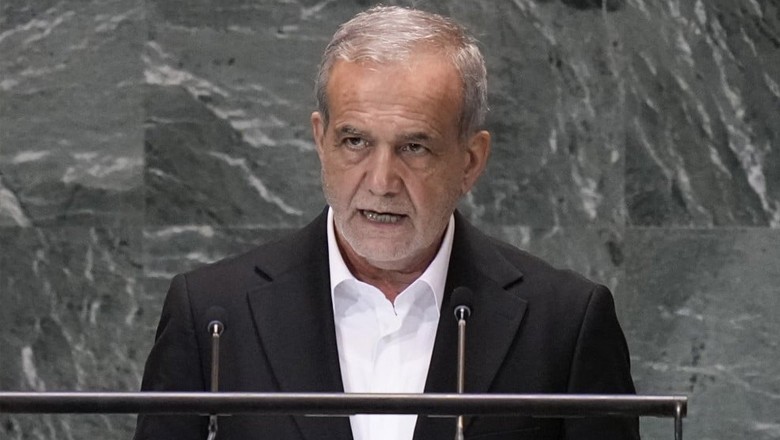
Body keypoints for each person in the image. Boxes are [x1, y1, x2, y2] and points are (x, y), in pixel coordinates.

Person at [134, 6, 639, 440]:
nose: (380, 182)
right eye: (355, 141)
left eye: (413, 147)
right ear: (320, 141)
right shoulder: (213, 314)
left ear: (470, 161)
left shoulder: (564, 324)